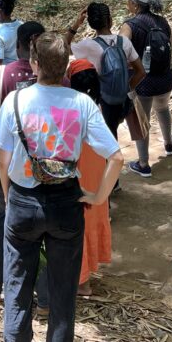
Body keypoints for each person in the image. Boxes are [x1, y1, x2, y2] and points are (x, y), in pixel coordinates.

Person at [0, 33, 123, 342]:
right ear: (66, 66)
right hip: (67, 204)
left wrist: (10, 198)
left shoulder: (15, 102)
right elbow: (116, 158)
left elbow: (3, 162)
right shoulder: (82, 104)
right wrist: (96, 197)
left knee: (17, 296)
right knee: (63, 302)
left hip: (23, 201)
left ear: (34, 63)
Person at [0, 21, 46, 303]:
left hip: (4, 162)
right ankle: (41, 297)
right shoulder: (54, 76)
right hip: (41, 165)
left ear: (17, 44)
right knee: (39, 227)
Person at [65, 60, 113, 297]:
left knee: (78, 224)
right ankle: (87, 275)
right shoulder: (98, 111)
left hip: (78, 176)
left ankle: (81, 282)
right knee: (93, 218)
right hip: (97, 177)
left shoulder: (70, 113)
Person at [118, 0, 172, 177]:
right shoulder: (162, 21)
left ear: (134, 4)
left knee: (141, 120)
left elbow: (120, 51)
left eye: (129, 0)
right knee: (163, 108)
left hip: (143, 80)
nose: (127, 3)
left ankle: (143, 164)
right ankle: (169, 145)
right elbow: (171, 47)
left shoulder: (130, 25)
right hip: (166, 77)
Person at [65, 2, 146, 140]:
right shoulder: (124, 42)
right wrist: (126, 89)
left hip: (102, 102)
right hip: (123, 102)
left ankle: (111, 160)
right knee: (112, 134)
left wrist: (76, 25)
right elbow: (141, 72)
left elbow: (64, 47)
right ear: (110, 20)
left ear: (90, 24)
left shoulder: (88, 45)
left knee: (108, 140)